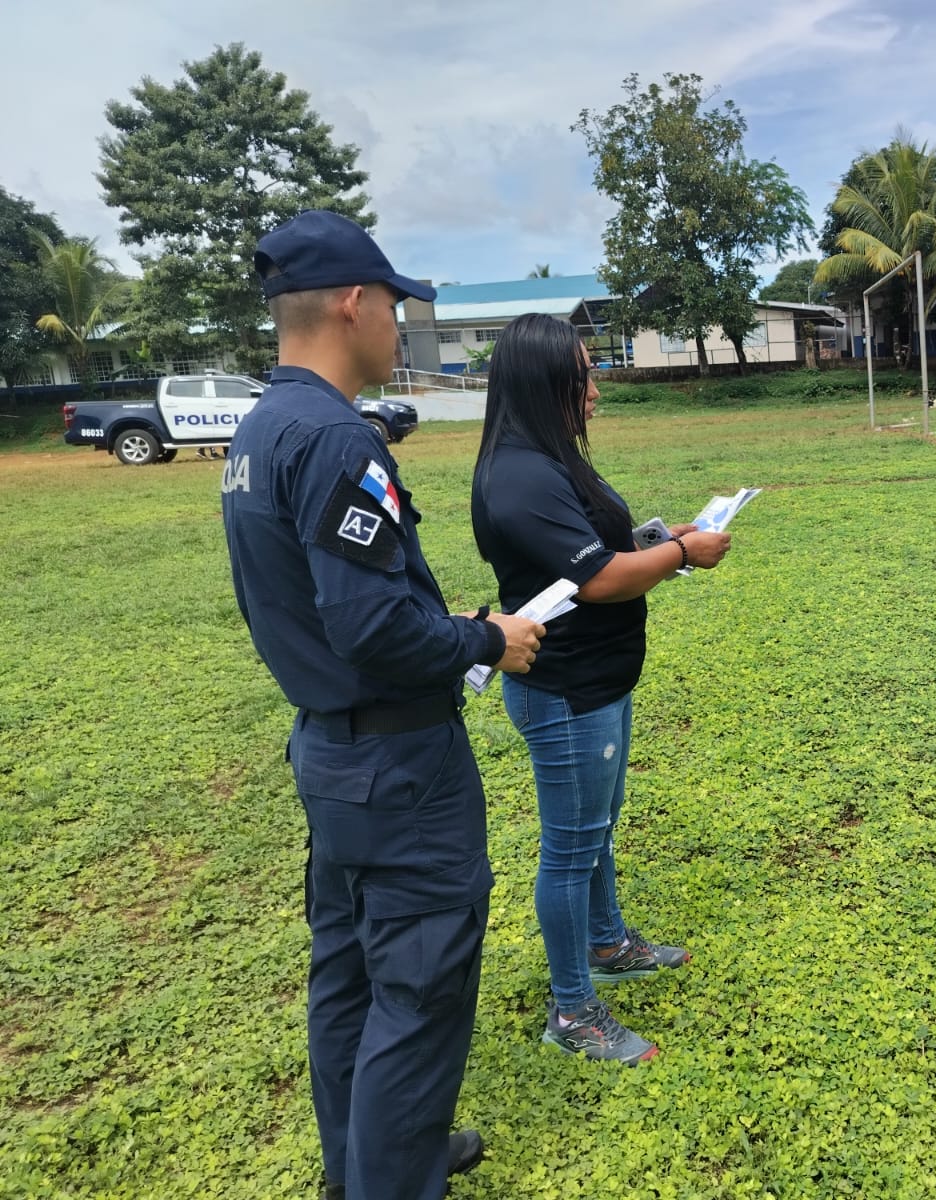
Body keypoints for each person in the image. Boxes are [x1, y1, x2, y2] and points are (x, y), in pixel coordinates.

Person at [221, 210, 544, 1200]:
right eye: (396, 305)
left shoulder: (260, 429)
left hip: (332, 755)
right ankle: (392, 1179)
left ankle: (361, 1165)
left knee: (351, 975)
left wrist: (436, 621)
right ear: (352, 304)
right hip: (398, 772)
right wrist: (487, 640)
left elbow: (330, 608)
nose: (400, 324)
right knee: (419, 989)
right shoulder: (331, 437)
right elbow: (374, 632)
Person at [471, 313, 731, 1065]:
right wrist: (683, 552)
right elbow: (601, 579)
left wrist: (664, 542)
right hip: (565, 690)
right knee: (571, 847)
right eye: (582, 376)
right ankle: (573, 1010)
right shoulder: (519, 474)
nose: (594, 389)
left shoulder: (548, 459)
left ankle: (608, 942)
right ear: (544, 381)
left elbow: (601, 552)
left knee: (596, 829)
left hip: (597, 681)